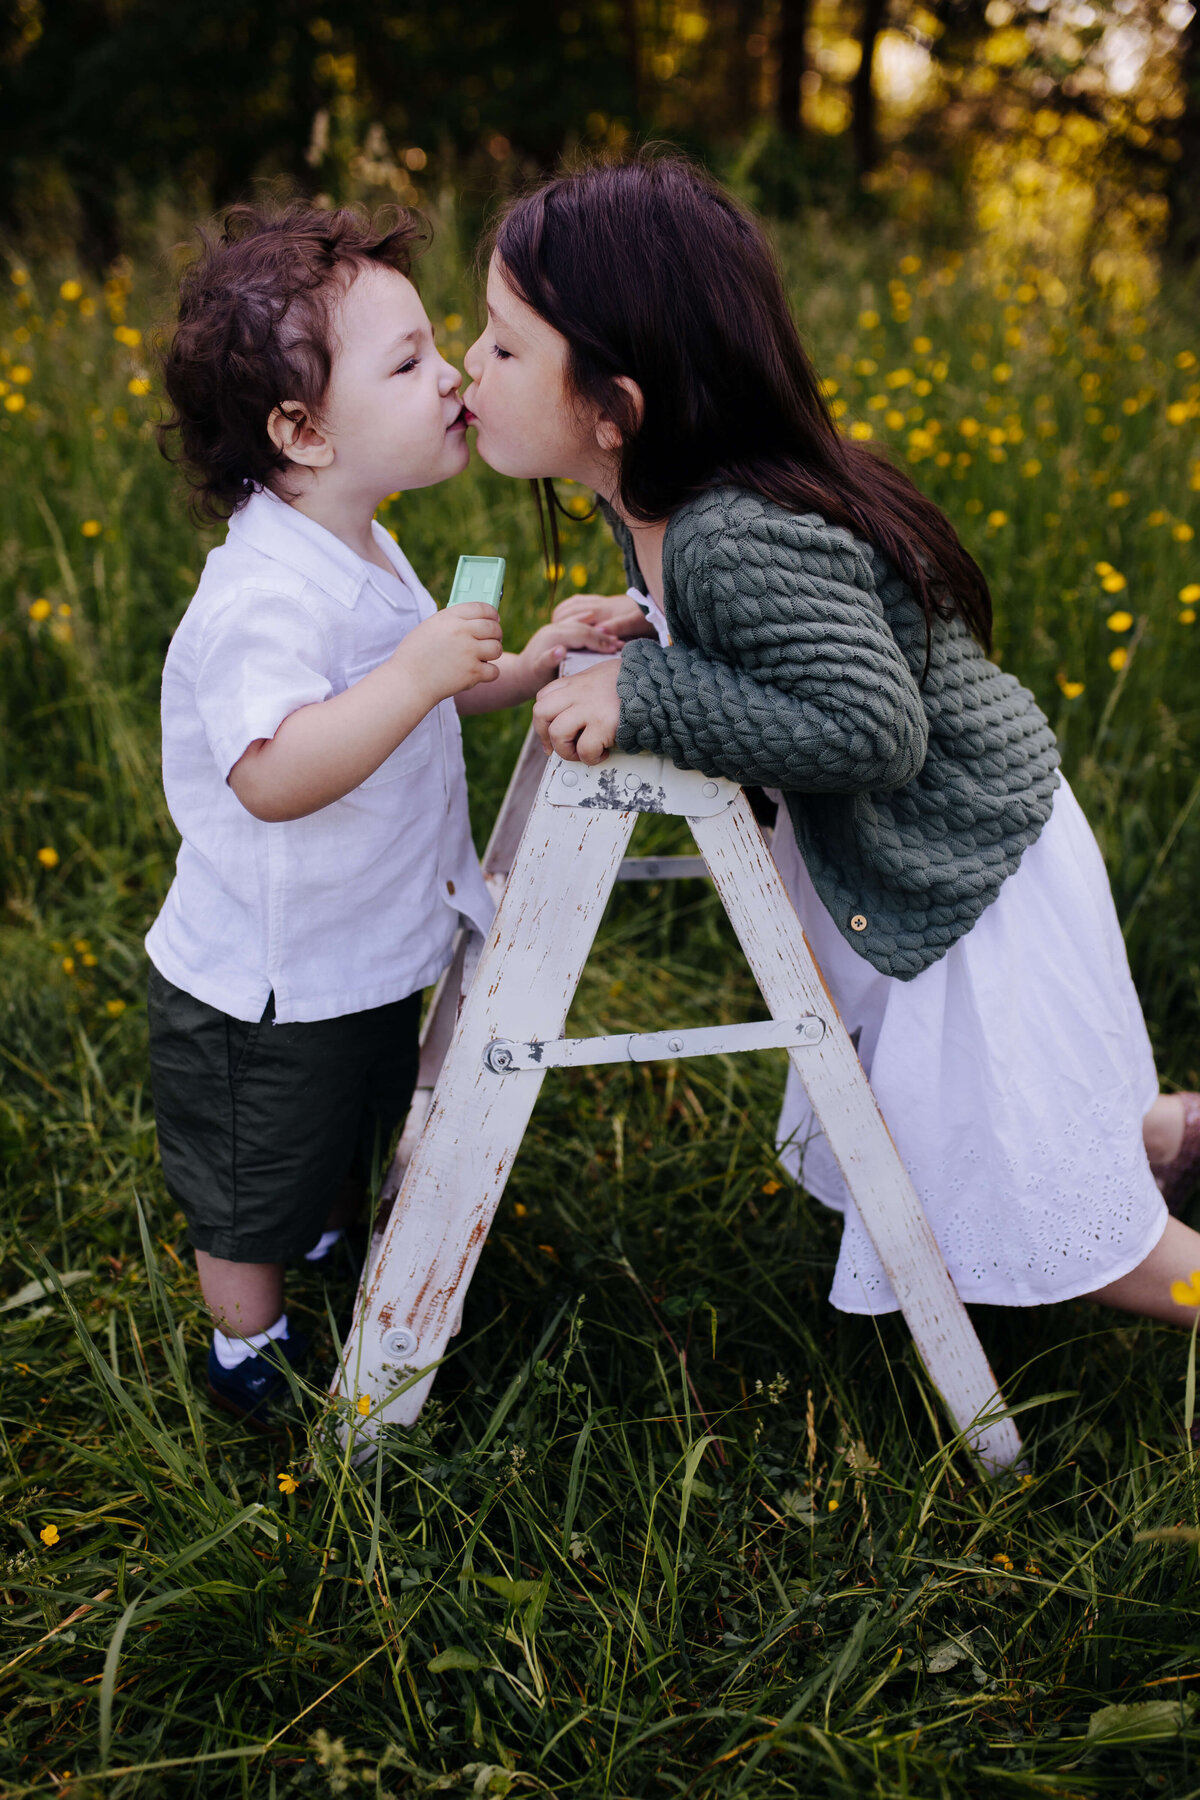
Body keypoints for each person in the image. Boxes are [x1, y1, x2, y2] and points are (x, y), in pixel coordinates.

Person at [459, 151, 1200, 1338]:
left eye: (501, 345)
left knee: (1089, 1247)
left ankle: (1174, 1255)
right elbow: (774, 655)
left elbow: (867, 726)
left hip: (966, 890)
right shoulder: (663, 501)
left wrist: (652, 691)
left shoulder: (730, 533)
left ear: (616, 407)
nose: (469, 367)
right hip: (954, 856)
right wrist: (642, 629)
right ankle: (1164, 1137)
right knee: (984, 1129)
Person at [147, 201, 619, 1428]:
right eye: (408, 363)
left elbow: (434, 699)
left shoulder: (363, 541)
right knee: (252, 1172)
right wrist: (412, 672)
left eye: (440, 346)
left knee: (350, 1119)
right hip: (266, 980)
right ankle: (245, 1346)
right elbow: (271, 773)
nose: (454, 371)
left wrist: (522, 661)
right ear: (301, 432)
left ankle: (324, 1236)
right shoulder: (263, 593)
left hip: (358, 953)